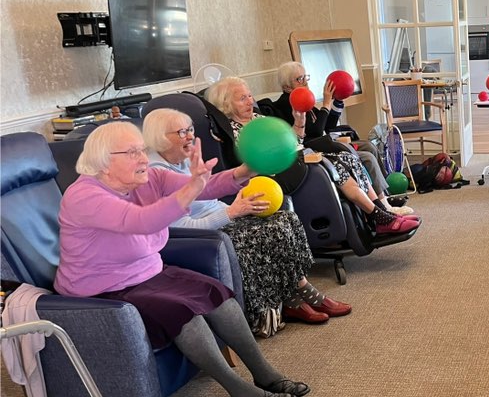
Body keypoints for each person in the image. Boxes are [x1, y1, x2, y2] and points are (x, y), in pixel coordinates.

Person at [55, 122, 309, 397]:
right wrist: (190, 190)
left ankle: (264, 374)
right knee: (183, 313)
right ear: (104, 161)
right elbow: (140, 221)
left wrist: (247, 169)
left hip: (147, 272)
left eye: (142, 150)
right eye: (132, 152)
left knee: (218, 294)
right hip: (102, 290)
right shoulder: (84, 196)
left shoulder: (148, 178)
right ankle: (244, 396)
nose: (143, 158)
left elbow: (207, 186)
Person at [143, 109, 352, 334]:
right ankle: (295, 300)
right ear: (161, 137)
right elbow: (178, 227)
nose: (190, 136)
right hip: (202, 235)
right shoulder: (156, 174)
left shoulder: (185, 159)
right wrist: (231, 213)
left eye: (190, 130)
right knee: (267, 231)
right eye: (182, 132)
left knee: (284, 219)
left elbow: (210, 189)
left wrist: (240, 194)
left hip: (222, 214)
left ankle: (296, 293)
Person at [206, 77, 417, 235]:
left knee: (347, 157)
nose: (250, 101)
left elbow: (295, 142)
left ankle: (380, 211)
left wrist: (299, 121)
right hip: (275, 172)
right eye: (242, 98)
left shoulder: (259, 119)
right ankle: (378, 216)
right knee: (331, 165)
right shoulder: (234, 131)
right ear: (226, 104)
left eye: (250, 95)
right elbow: (255, 161)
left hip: (293, 159)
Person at [272, 62, 415, 216]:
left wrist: (337, 102)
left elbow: (328, 126)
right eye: (299, 79)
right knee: (367, 157)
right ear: (287, 87)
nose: (306, 82)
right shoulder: (288, 104)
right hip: (314, 150)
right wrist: (326, 103)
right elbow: (316, 130)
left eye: (305, 77)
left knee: (369, 146)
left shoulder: (306, 100)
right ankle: (384, 205)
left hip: (325, 143)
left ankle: (385, 196)